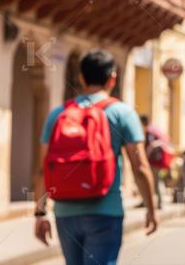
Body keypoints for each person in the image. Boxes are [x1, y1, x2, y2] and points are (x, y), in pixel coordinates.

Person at [34, 49, 157, 265]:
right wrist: (151, 209)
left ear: (81, 78)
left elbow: (43, 169)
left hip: (65, 213)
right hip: (105, 211)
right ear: (112, 78)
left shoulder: (58, 114)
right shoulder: (122, 113)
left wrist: (39, 213)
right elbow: (140, 167)